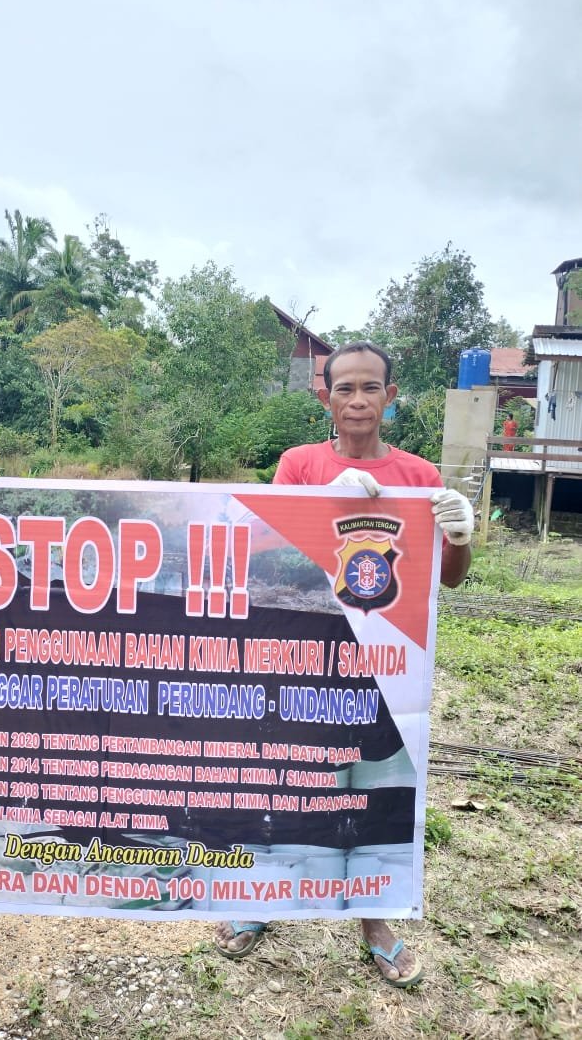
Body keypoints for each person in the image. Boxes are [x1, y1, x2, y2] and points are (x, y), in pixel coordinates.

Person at [214, 341, 473, 988]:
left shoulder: (417, 475)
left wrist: (460, 535)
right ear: (324, 396)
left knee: (374, 788)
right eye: (344, 388)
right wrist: (319, 504)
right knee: (284, 779)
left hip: (383, 661)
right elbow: (262, 551)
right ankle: (262, 898)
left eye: (370, 388)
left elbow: (450, 578)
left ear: (391, 396)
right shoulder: (299, 464)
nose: (357, 400)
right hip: (303, 654)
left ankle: (374, 919)